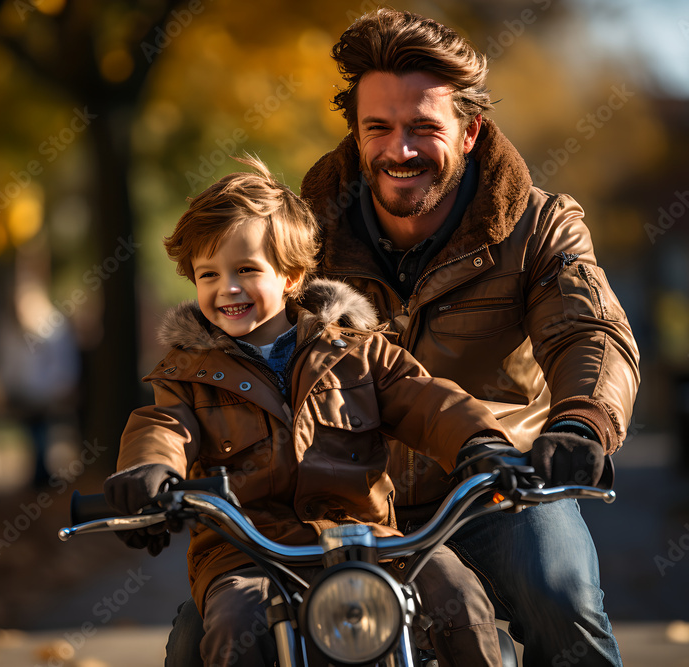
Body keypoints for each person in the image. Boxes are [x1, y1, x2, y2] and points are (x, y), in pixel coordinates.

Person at [166, 8, 641, 667]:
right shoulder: (304, 236)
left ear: (470, 130)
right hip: (344, 499)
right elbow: (225, 341)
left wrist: (582, 426)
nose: (400, 149)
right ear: (357, 134)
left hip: (496, 483)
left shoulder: (540, 226)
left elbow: (590, 332)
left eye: (424, 127)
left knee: (561, 595)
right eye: (379, 128)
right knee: (206, 631)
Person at [104, 156, 513, 666]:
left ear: (291, 275)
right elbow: (162, 428)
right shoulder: (186, 375)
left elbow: (427, 400)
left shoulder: (356, 351)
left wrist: (481, 442)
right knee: (236, 624)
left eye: (246, 270)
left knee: (457, 589)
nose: (226, 288)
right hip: (247, 553)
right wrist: (149, 474)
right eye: (208, 274)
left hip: (365, 542)